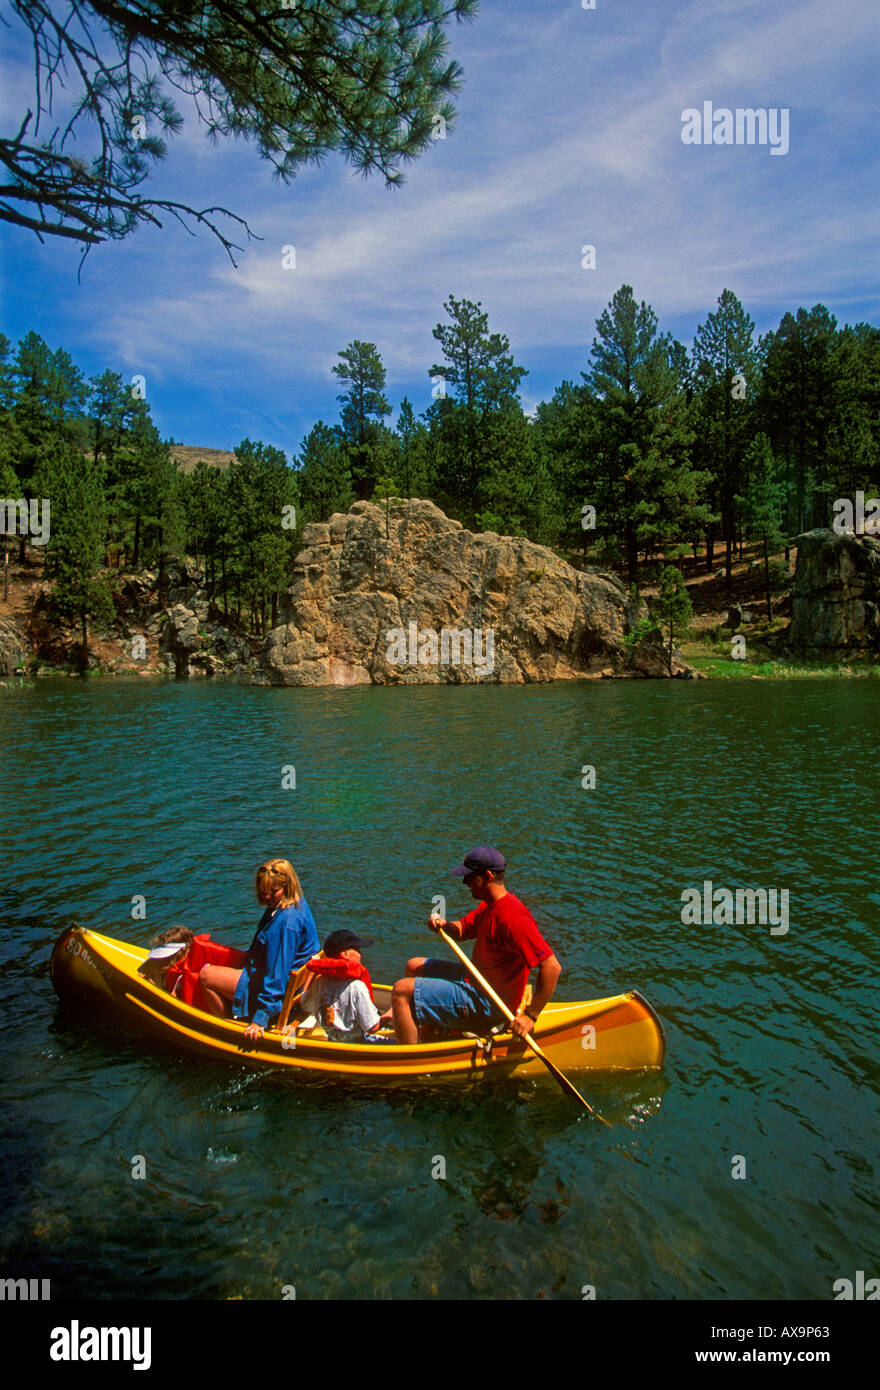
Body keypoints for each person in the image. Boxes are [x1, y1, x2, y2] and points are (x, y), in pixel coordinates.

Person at [387, 846, 561, 1044]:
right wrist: (444, 925)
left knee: (401, 991)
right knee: (414, 966)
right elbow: (462, 929)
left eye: (469, 878)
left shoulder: (513, 918)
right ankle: (431, 1031)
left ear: (487, 876)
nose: (465, 883)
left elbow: (552, 967)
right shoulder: (489, 905)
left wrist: (530, 1016)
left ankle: (411, 1060)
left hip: (489, 1003)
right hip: (474, 981)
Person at [198, 858, 320, 1039]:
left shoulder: (285, 923)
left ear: (287, 886)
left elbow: (277, 975)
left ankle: (227, 1029)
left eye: (273, 891)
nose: (267, 897)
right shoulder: (296, 901)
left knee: (205, 976)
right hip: (297, 983)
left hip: (279, 988)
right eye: (263, 892)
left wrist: (261, 1018)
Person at [298, 930, 383, 1043]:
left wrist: (312, 973)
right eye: (357, 950)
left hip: (332, 1040)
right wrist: (392, 1014)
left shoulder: (320, 982)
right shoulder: (357, 987)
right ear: (345, 953)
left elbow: (305, 1004)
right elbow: (372, 1027)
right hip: (356, 1047)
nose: (361, 954)